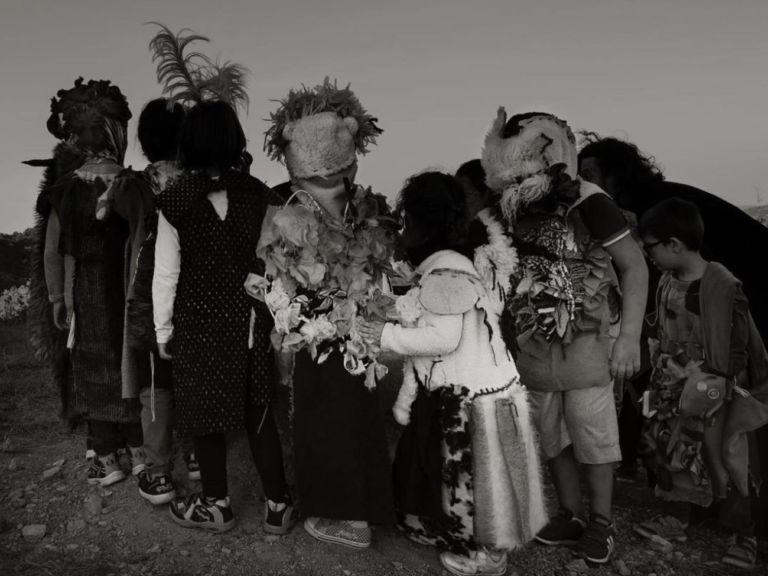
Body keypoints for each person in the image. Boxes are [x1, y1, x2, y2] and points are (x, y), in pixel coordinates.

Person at [481, 110, 648, 564]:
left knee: (593, 435)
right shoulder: (505, 203)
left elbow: (634, 266)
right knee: (551, 433)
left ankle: (601, 522)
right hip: (532, 344)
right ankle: (571, 513)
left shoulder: (591, 203)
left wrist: (629, 336)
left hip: (587, 343)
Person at [359, 171, 545, 576]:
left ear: (423, 224)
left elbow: (442, 337)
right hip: (487, 389)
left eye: (406, 221)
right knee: (483, 479)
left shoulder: (446, 272)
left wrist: (385, 334)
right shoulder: (458, 262)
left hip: (475, 396)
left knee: (482, 482)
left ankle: (490, 556)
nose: (401, 229)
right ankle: (478, 543)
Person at [578, 134, 768, 528]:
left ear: (617, 173)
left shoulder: (656, 210)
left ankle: (737, 513)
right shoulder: (661, 201)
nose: (586, 184)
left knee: (734, 419)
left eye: (591, 174)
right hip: (726, 317)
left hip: (740, 315)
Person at [261, 78, 394, 548]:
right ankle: (368, 506)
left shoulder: (291, 212)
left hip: (316, 336)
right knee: (359, 416)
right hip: (362, 330)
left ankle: (345, 517)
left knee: (323, 420)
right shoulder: (363, 206)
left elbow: (282, 283)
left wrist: (285, 331)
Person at [154, 100, 293, 534]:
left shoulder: (173, 200)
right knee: (258, 409)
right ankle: (279, 504)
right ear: (236, 141)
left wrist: (163, 329)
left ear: (188, 144)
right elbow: (276, 260)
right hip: (252, 319)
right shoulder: (261, 194)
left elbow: (166, 272)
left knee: (203, 412)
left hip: (197, 324)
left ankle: (215, 504)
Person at [635, 198, 768, 570]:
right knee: (670, 449)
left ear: (674, 244)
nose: (650, 256)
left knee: (727, 458)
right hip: (670, 389)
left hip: (713, 393)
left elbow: (738, 350)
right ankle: (675, 517)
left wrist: (713, 385)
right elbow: (660, 331)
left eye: (652, 248)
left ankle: (745, 534)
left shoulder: (723, 285)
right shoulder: (666, 282)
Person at [41, 78, 143, 486]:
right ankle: (139, 450)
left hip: (84, 291)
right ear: (117, 134)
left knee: (93, 366)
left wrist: (56, 297)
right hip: (131, 291)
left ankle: (105, 456)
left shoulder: (64, 191)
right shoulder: (135, 185)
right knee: (129, 363)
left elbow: (54, 251)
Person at [96, 98, 188, 505]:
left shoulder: (132, 186)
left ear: (145, 141)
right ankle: (200, 455)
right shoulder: (199, 180)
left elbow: (107, 222)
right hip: (199, 292)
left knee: (155, 382)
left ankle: (158, 472)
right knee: (192, 377)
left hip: (149, 293)